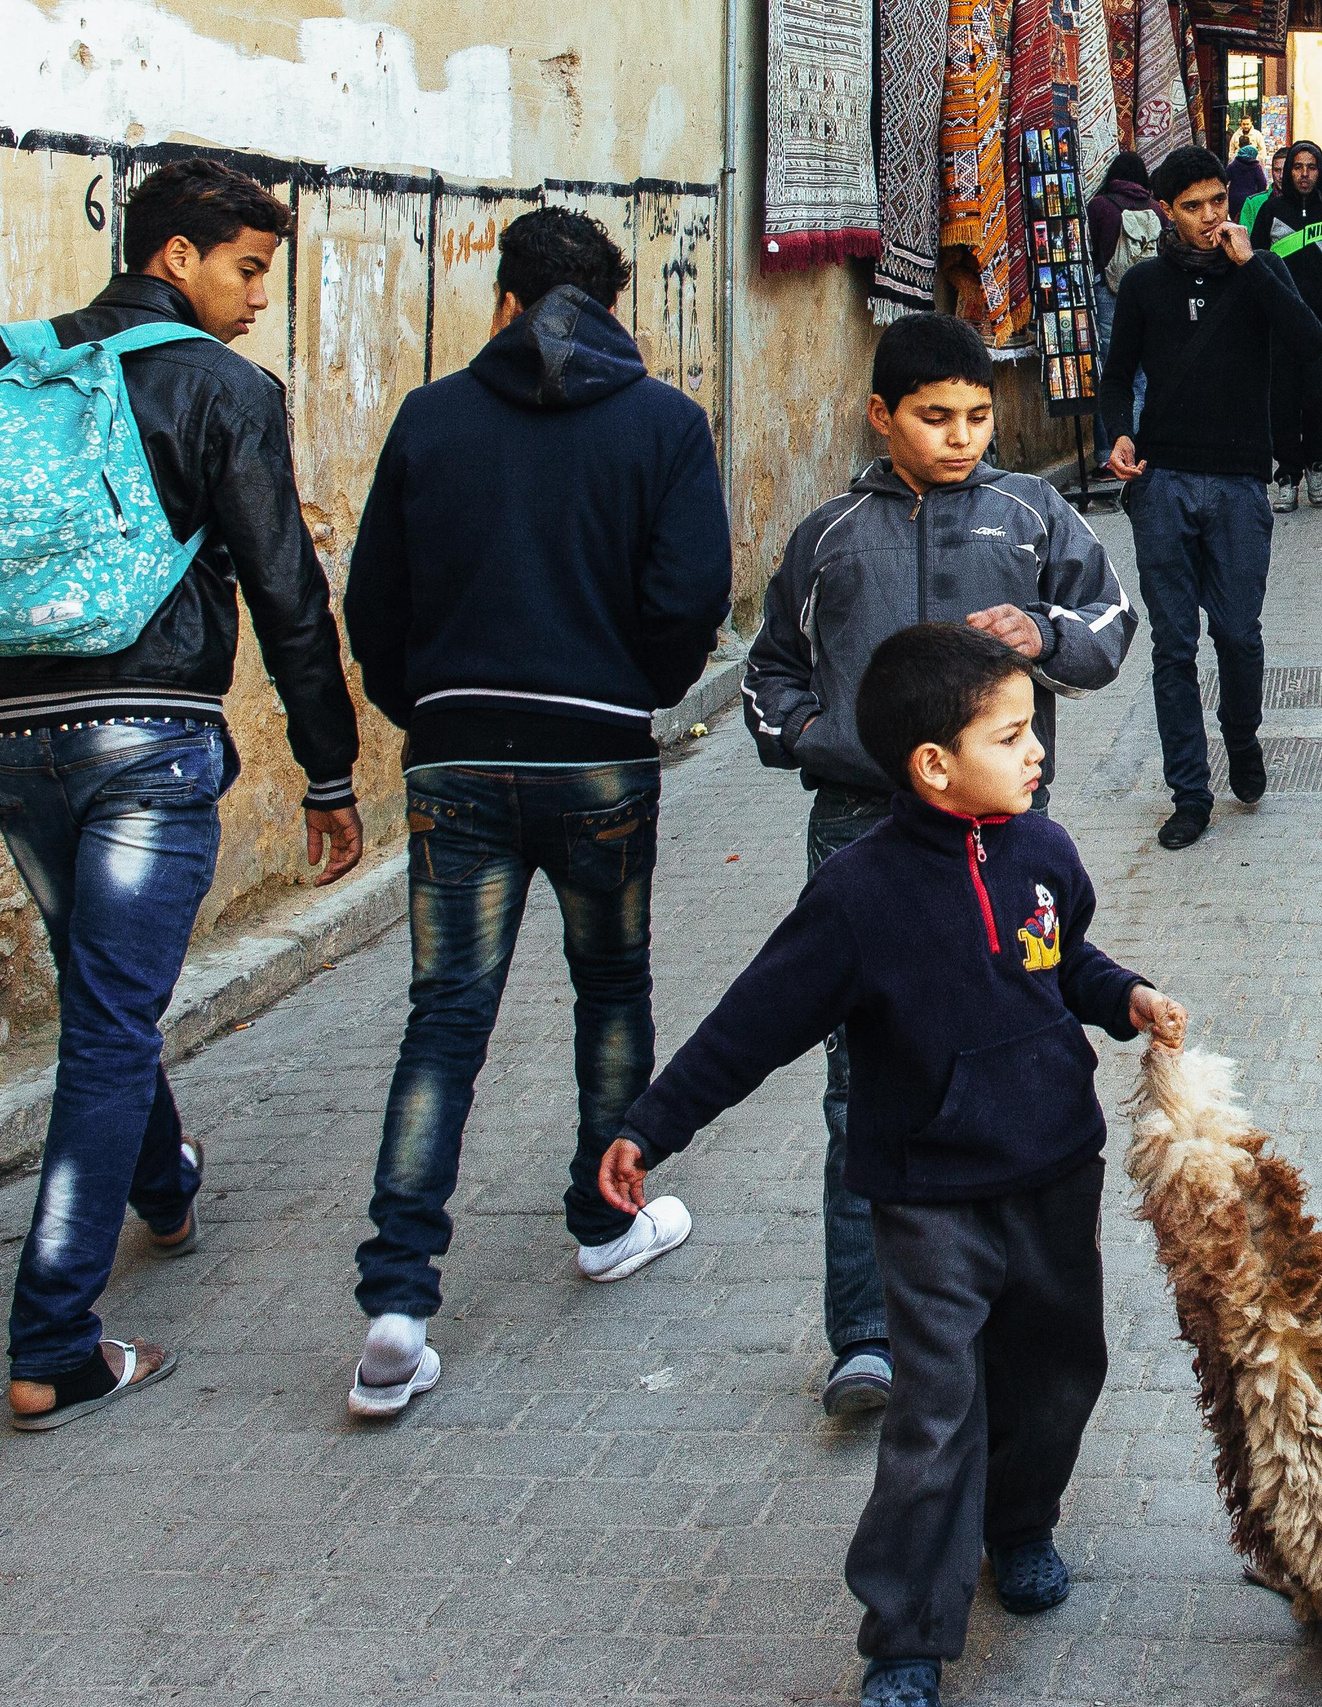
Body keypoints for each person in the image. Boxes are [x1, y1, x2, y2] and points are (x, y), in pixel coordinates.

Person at [600, 622, 1187, 1707]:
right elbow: (754, 1021)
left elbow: (1065, 965)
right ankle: (907, 1634)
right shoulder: (859, 896)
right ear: (933, 765)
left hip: (1057, 1172)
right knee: (936, 1410)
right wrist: (652, 1124)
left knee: (1059, 1375)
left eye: (1032, 731)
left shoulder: (1044, 853)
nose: (1036, 752)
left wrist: (1125, 997)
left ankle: (1019, 1527)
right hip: (927, 1198)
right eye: (1011, 736)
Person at [339, 207, 732, 1417]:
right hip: (600, 758)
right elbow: (692, 596)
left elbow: (375, 604)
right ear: (614, 304)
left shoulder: (431, 414)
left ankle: (398, 1299)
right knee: (610, 988)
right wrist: (631, 695)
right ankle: (603, 1221)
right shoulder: (664, 423)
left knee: (444, 1018)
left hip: (454, 755)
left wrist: (432, 712)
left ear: (502, 301)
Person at [0, 159, 364, 1432]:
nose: (259, 297)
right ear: (175, 259)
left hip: (14, 736)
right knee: (108, 1024)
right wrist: (331, 769)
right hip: (146, 740)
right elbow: (285, 592)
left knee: (104, 985)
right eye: (249, 269)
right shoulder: (221, 389)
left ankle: (163, 1183)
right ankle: (52, 1339)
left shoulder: (21, 368)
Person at [740, 313, 1132, 1418]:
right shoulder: (829, 535)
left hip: (1005, 844)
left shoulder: (1032, 514)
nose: (960, 438)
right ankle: (865, 1332)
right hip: (860, 832)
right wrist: (814, 740)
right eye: (933, 418)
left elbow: (1110, 621)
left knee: (1021, 1046)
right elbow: (773, 668)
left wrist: (1045, 638)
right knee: (861, 1078)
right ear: (882, 416)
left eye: (974, 417)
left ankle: (1012, 1305)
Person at [1100, 146, 1322, 851]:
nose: (1208, 219)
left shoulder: (1260, 272)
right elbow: (1116, 378)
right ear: (1166, 209)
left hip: (1236, 484)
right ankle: (1189, 794)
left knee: (1236, 632)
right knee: (1173, 646)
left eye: (1218, 204)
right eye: (1193, 206)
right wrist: (1118, 435)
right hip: (1163, 483)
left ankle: (1243, 737)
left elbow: (1310, 342)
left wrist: (1252, 264)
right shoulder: (1143, 287)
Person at [1249, 140, 1322, 512]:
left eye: (1311, 167)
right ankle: (1287, 476)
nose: (1304, 174)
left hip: (1321, 325)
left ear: (1320, 172)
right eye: (1297, 167)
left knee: (1316, 398)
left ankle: (1316, 466)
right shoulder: (1270, 212)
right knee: (1282, 401)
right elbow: (1256, 264)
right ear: (1287, 172)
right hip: (1279, 328)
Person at [1087, 150, 1159, 411]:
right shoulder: (1156, 209)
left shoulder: (1099, 206)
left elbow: (1092, 251)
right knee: (1140, 375)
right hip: (1148, 296)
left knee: (1109, 372)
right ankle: (1136, 441)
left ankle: (1107, 446)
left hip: (1110, 292)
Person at [1224, 142, 1267, 213]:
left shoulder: (1233, 165)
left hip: (1234, 199)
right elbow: (1262, 183)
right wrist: (1258, 196)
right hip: (1251, 199)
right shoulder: (1256, 167)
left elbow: (1224, 180)